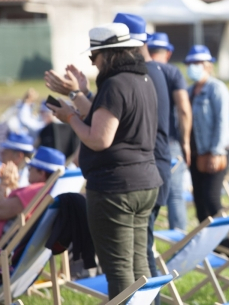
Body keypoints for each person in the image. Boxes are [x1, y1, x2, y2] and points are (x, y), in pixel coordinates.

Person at [47, 23, 161, 299]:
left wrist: (70, 117)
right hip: (144, 182)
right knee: (139, 264)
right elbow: (106, 116)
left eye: (93, 57)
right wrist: (76, 94)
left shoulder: (114, 83)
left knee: (119, 268)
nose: (94, 65)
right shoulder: (142, 79)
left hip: (115, 189)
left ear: (108, 54)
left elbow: (99, 138)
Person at [113, 14, 171, 303]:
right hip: (157, 167)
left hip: (148, 170)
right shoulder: (154, 71)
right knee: (143, 251)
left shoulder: (139, 74)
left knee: (141, 253)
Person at [148, 32, 192, 232]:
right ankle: (180, 242)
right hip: (171, 140)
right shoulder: (172, 72)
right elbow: (183, 109)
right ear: (168, 52)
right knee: (174, 194)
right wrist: (185, 141)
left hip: (145, 141)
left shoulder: (142, 70)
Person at [184, 45, 229, 222]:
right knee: (199, 202)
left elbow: (222, 122)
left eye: (197, 62)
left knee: (212, 200)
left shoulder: (216, 89)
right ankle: (206, 245)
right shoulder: (188, 92)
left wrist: (216, 151)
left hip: (214, 152)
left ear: (208, 65)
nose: (193, 66)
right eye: (190, 63)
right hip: (196, 154)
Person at [0, 146, 65, 248]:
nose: (28, 171)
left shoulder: (36, 191)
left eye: (30, 168)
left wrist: (4, 184)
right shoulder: (52, 190)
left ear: (41, 173)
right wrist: (13, 187)